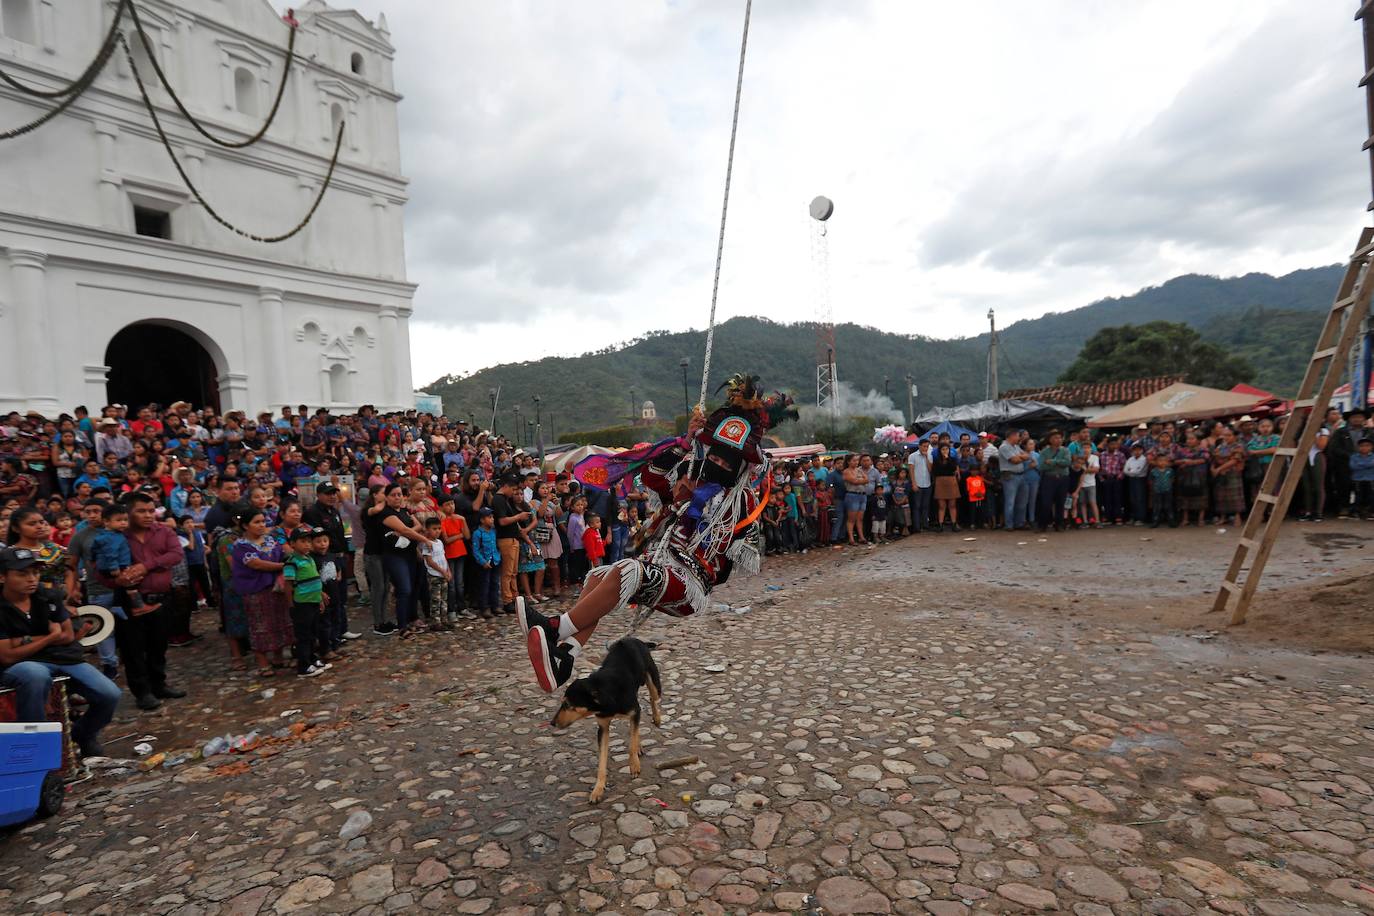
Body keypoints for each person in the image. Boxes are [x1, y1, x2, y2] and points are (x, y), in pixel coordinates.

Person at [521, 373, 785, 693]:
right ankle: (564, 659)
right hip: (656, 569)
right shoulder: (688, 479)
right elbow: (653, 473)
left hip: (688, 585)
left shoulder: (739, 499)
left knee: (629, 568)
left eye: (725, 459)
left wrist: (705, 528)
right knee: (597, 577)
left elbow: (741, 554)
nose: (716, 461)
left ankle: (554, 627)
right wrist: (686, 443)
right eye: (713, 454)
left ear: (739, 467)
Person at [0, 546, 121, 758]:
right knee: (34, 674)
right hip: (20, 666)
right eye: (22, 574)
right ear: (2, 577)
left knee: (109, 694)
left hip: (63, 658)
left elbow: (66, 635)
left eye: (35, 573)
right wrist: (49, 637)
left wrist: (21, 642)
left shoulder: (47, 596)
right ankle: (35, 747)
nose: (31, 579)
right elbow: (7, 655)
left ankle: (82, 734)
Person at [116, 492, 187, 709]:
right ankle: (142, 691)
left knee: (159, 644)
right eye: (141, 511)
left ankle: (159, 684)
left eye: (151, 510)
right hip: (130, 599)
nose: (148, 515)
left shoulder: (163, 531)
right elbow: (101, 568)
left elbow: (176, 554)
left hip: (162, 598)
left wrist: (146, 565)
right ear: (128, 512)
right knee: (134, 648)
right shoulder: (116, 536)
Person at [231, 507, 292, 676]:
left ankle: (278, 657)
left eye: (263, 522)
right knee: (260, 625)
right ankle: (263, 662)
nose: (261, 525)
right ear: (245, 525)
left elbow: (283, 554)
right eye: (256, 522)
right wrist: (282, 566)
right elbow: (256, 564)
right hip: (255, 591)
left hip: (276, 589)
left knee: (279, 621)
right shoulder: (240, 546)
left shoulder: (271, 541)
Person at [303, 483, 359, 648]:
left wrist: (345, 553)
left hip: (339, 557)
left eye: (334, 493)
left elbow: (340, 534)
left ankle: (342, 629)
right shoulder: (312, 513)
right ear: (319, 494)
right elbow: (316, 540)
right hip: (325, 560)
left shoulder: (334, 511)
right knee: (330, 600)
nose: (332, 496)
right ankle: (330, 636)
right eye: (328, 493)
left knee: (340, 597)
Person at [376, 482, 434, 636]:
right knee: (404, 588)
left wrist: (404, 532)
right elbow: (405, 528)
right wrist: (424, 539)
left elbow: (415, 526)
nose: (397, 497)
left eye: (399, 494)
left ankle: (412, 617)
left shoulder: (404, 510)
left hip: (410, 553)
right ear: (387, 497)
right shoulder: (386, 513)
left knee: (415, 586)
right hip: (394, 555)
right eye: (393, 495)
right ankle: (402, 626)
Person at [282, 528, 328, 677]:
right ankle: (304, 665)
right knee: (303, 635)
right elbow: (288, 586)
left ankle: (312, 659)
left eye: (309, 541)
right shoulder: (292, 563)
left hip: (313, 601)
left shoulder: (309, 559)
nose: (307, 545)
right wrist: (290, 604)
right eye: (303, 541)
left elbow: (315, 580)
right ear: (293, 544)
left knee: (313, 633)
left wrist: (320, 598)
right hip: (302, 604)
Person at [490, 473, 530, 614]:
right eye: (513, 489)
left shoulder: (505, 499)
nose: (514, 493)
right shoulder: (499, 499)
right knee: (507, 572)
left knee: (513, 572)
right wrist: (519, 516)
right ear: (506, 486)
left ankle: (515, 597)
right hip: (505, 538)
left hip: (513, 538)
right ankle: (507, 600)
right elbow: (502, 521)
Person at [438, 495, 471, 618]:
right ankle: (451, 609)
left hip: (461, 553)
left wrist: (463, 521)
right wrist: (459, 535)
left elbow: (467, 536)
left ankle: (462, 607)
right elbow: (447, 540)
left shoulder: (459, 519)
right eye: (448, 504)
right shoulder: (442, 520)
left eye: (452, 503)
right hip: (449, 554)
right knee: (451, 584)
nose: (451, 506)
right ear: (441, 507)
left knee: (460, 582)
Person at [1210, 426, 1247, 528]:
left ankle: (1237, 516)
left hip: (1233, 472)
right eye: (1224, 435)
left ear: (1234, 436)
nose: (1226, 437)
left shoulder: (1238, 446)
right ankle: (1223, 517)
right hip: (1221, 474)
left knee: (1235, 496)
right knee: (1221, 496)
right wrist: (1214, 468)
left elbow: (1235, 460)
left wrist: (1219, 468)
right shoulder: (1221, 446)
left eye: (1229, 435)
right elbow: (1214, 457)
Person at [1037, 430, 1072, 532]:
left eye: (1060, 437)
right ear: (1050, 440)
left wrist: (1052, 462)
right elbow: (1041, 466)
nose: (1058, 440)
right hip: (1049, 479)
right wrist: (1058, 464)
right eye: (1056, 438)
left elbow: (1067, 462)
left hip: (1063, 479)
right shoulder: (1044, 452)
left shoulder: (1065, 451)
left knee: (1061, 502)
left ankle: (1059, 524)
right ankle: (1042, 525)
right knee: (1046, 503)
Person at [1173, 430, 1210, 527]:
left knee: (1201, 498)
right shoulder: (1181, 450)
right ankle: (1185, 519)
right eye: (1188, 439)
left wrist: (1190, 462)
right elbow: (1175, 461)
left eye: (1192, 439)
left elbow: (1205, 459)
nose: (1189, 441)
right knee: (1185, 498)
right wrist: (1183, 461)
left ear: (1198, 440)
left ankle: (1200, 519)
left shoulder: (1203, 449)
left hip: (1199, 476)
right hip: (1184, 477)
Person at [422, 516, 454, 627]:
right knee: (436, 599)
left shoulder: (440, 542)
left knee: (444, 598)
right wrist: (442, 571)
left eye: (439, 528)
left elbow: (444, 558)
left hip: (443, 574)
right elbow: (430, 561)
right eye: (434, 529)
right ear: (427, 530)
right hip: (434, 575)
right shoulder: (427, 544)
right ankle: (435, 621)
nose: (437, 531)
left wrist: (448, 570)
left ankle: (444, 619)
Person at [471, 508, 500, 619]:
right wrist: (482, 561)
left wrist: (498, 556)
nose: (492, 519)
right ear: (482, 520)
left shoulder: (493, 531)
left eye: (492, 517)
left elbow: (496, 545)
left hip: (495, 560)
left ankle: (495, 605)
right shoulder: (478, 534)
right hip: (484, 563)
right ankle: (485, 607)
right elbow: (476, 550)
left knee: (495, 583)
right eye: (489, 517)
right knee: (484, 585)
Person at [997, 429, 1029, 531]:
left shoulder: (1016, 446)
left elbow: (1027, 455)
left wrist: (1020, 456)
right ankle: (1009, 524)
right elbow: (1014, 460)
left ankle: (1019, 523)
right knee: (1010, 501)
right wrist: (1021, 457)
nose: (1019, 438)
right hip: (1010, 476)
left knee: (1022, 501)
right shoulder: (1004, 447)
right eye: (1018, 436)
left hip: (1021, 475)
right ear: (1012, 436)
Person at [931, 443, 961, 532]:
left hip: (951, 481)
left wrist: (948, 459)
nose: (945, 451)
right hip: (940, 481)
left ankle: (954, 524)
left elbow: (952, 468)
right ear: (940, 451)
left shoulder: (952, 459)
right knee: (941, 505)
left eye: (946, 449)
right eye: (943, 449)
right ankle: (940, 524)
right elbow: (936, 471)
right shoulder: (936, 460)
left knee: (952, 504)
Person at [841, 455, 869, 545]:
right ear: (848, 462)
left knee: (860, 518)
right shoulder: (846, 471)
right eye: (853, 460)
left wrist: (860, 480)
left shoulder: (859, 470)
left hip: (862, 495)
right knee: (851, 519)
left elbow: (866, 479)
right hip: (852, 495)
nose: (856, 462)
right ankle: (851, 538)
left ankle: (861, 537)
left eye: (857, 460)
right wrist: (861, 480)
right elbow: (854, 481)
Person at [1351, 437, 1374, 519]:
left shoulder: (1373, 456)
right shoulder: (1354, 456)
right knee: (1358, 496)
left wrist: (1361, 464)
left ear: (1371, 447)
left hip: (1370, 479)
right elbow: (1353, 466)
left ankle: (1371, 512)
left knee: (1371, 496)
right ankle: (1355, 511)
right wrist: (1368, 465)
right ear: (1358, 447)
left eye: (1367, 445)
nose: (1364, 447)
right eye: (1362, 446)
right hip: (1358, 479)